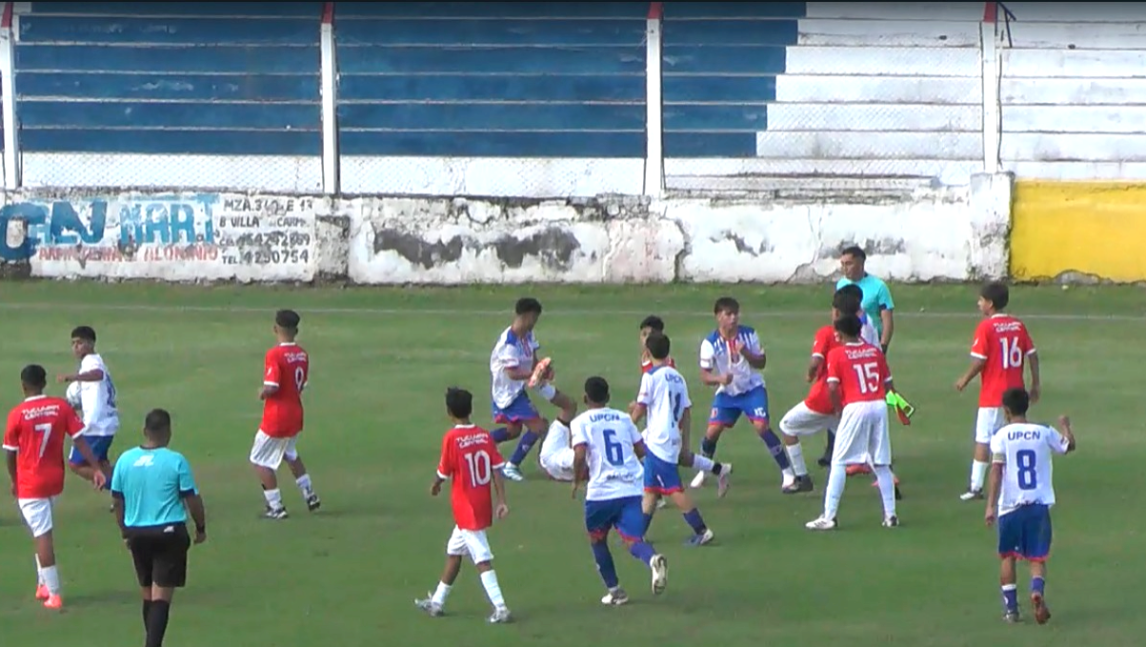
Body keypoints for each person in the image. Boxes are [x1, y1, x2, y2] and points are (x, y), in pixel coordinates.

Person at [4, 364, 107, 609]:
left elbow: (10, 452)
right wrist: (96, 468)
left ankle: (54, 593)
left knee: (42, 535)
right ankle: (42, 585)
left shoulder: (17, 414)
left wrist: (14, 479)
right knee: (43, 528)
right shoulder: (60, 407)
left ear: (23, 385)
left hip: (30, 482)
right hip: (54, 480)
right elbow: (80, 439)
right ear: (44, 382)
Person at [111, 409, 207, 647]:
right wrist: (201, 527)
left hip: (138, 535)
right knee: (161, 598)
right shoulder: (175, 460)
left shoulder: (125, 459)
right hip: (169, 534)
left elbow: (117, 500)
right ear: (168, 432)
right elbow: (192, 498)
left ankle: (152, 642)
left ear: (145, 431)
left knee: (148, 594)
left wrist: (124, 531)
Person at [416, 388, 512, 623]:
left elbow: (444, 470)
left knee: (481, 558)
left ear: (449, 412)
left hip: (466, 508)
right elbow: (497, 468)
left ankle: (501, 607)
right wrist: (501, 500)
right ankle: (437, 602)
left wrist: (435, 484)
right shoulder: (484, 435)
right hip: (480, 504)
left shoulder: (452, 438)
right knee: (454, 553)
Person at [571, 376, 669, 605]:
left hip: (601, 492)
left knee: (597, 540)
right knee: (632, 539)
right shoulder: (624, 419)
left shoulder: (581, 422)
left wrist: (576, 480)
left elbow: (579, 454)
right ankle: (652, 559)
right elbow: (641, 450)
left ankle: (615, 591)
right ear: (608, 397)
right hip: (632, 487)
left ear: (586, 398)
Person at [984, 388, 1075, 624]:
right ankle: (1036, 591)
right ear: (1027, 406)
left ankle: (1011, 610)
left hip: (1010, 507)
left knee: (1008, 556)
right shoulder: (1043, 431)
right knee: (1037, 558)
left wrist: (990, 506)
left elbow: (996, 470)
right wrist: (1066, 426)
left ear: (1006, 410)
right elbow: (1068, 446)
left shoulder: (1001, 435)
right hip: (1038, 505)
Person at [690, 297, 794, 491]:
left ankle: (787, 472)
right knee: (712, 432)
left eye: (735, 313)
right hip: (728, 393)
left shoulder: (749, 335)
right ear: (718, 317)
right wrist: (719, 379)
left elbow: (761, 363)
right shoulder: (710, 343)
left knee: (762, 427)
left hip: (752, 389)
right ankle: (704, 470)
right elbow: (704, 376)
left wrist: (746, 352)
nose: (733, 318)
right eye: (728, 314)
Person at [806, 314, 899, 530]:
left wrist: (839, 408)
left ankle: (829, 516)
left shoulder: (837, 354)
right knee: (881, 461)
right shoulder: (875, 351)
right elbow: (889, 384)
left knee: (839, 460)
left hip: (856, 406)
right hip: (879, 405)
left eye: (837, 332)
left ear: (843, 333)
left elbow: (831, 387)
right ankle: (891, 515)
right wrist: (896, 406)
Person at [955, 282, 1039, 501]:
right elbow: (1032, 354)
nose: (978, 304)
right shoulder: (1018, 325)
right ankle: (1018, 483)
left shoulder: (986, 328)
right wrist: (1035, 384)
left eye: (981, 300)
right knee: (1015, 438)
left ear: (990, 304)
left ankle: (976, 487)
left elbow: (980, 361)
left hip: (993, 396)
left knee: (983, 440)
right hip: (1016, 394)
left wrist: (965, 379)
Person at [632, 331, 718, 546]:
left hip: (659, 440)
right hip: (671, 437)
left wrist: (626, 425)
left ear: (648, 352)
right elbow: (687, 412)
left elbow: (641, 408)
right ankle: (637, 534)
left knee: (673, 489)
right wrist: (685, 443)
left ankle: (702, 530)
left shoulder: (650, 376)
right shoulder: (677, 376)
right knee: (651, 489)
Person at [487, 297, 577, 481]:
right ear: (527, 316)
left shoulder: (528, 335)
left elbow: (534, 360)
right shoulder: (508, 343)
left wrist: (544, 370)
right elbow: (512, 373)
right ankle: (511, 466)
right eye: (534, 318)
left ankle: (480, 443)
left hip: (518, 390)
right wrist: (535, 374)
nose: (535, 322)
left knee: (513, 431)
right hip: (508, 395)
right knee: (539, 426)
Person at [251, 309, 320, 519]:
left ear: (275, 329)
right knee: (290, 453)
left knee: (259, 460)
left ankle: (276, 506)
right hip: (296, 412)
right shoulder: (302, 354)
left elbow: (272, 386)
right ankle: (309, 494)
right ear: (296, 330)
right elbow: (302, 384)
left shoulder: (274, 354)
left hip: (277, 416)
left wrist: (262, 393)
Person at [57, 326, 119, 495]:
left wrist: (72, 377)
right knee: (101, 463)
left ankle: (125, 491)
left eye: (80, 343)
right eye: (73, 343)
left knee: (75, 464)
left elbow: (97, 374)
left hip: (96, 425)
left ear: (91, 344)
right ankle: (124, 489)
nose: (76, 347)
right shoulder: (89, 363)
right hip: (105, 423)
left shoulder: (92, 361)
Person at [836, 246, 895, 353]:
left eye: (849, 264)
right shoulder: (841, 284)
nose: (844, 268)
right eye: (842, 264)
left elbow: (887, 320)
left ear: (861, 264)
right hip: (848, 343)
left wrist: (883, 346)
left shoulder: (879, 286)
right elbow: (837, 313)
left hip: (871, 343)